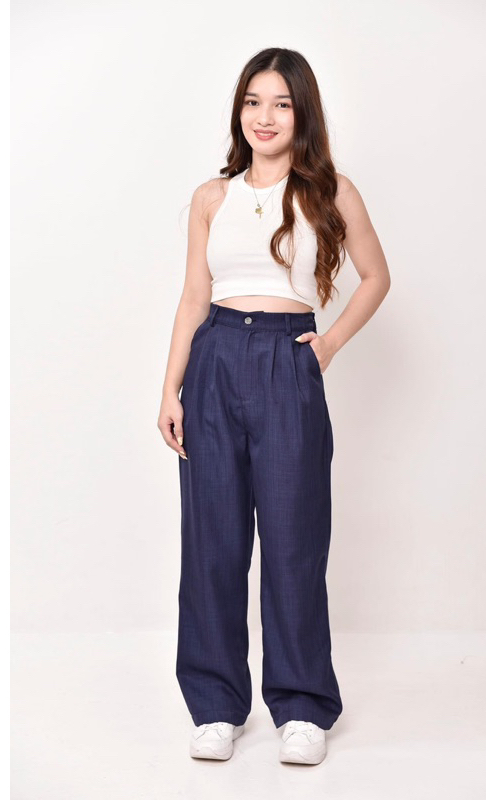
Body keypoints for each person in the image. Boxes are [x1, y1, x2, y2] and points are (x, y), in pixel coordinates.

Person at [158, 48, 390, 765]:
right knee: (213, 542)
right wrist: (169, 388)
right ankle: (215, 706)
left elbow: (376, 277)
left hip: (290, 359)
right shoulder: (212, 197)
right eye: (253, 102)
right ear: (239, 110)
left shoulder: (330, 192)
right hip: (215, 358)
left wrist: (328, 346)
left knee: (294, 540)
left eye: (282, 104)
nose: (265, 117)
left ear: (302, 113)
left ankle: (302, 707)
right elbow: (194, 297)